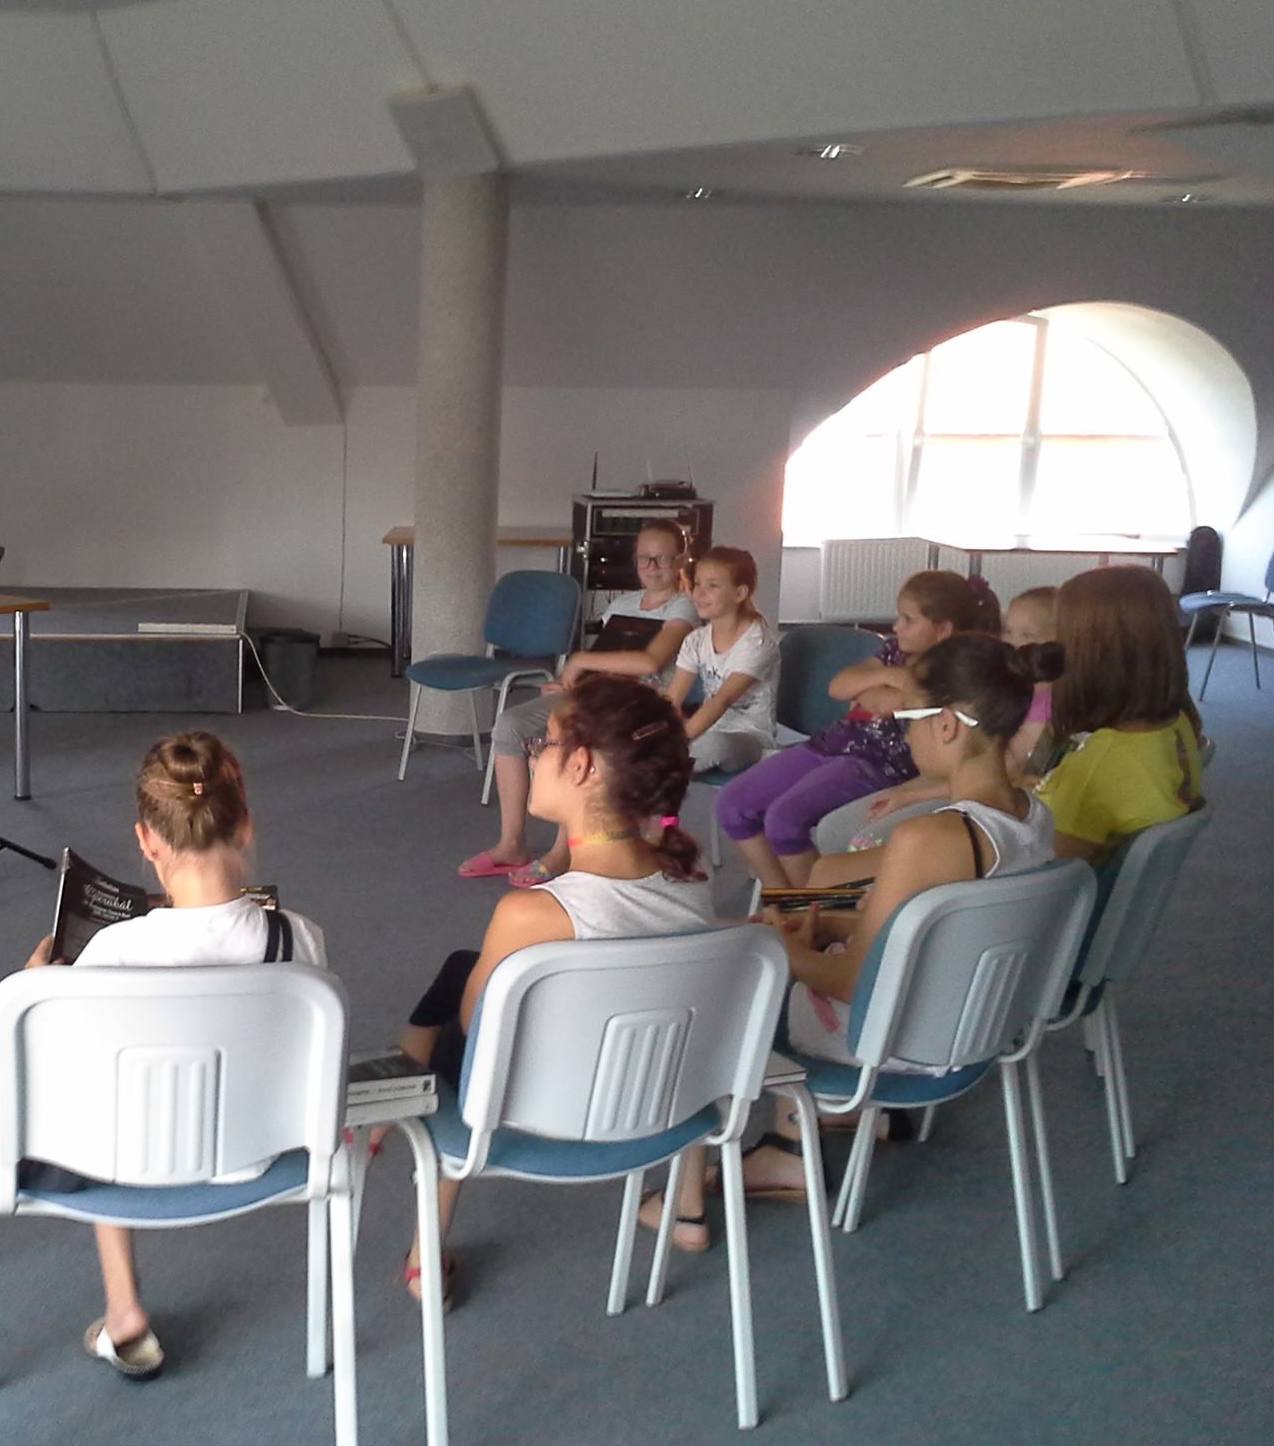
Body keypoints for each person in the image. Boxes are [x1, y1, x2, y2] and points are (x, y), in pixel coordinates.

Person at [645, 633, 1062, 1234]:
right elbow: (841, 881)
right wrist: (803, 916)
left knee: (716, 972)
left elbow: (852, 981)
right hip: (966, 1020)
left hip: (892, 1036)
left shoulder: (930, 838)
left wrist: (783, 946)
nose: (902, 733)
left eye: (907, 719)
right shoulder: (1029, 816)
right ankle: (794, 1136)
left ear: (947, 726)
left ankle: (690, 1201)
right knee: (769, 921)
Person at [12, 731, 324, 1381]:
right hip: (253, 1151)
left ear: (147, 841)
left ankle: (123, 1307)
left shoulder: (113, 951)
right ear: (244, 824)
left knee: (96, 1091)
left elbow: (49, 1063)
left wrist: (36, 986)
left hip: (125, 1158)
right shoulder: (298, 937)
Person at [395, 676, 713, 1295]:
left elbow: (476, 1028)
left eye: (544, 744)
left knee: (460, 998)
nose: (535, 753)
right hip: (661, 1097)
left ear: (583, 766)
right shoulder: (693, 882)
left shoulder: (532, 914)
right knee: (466, 966)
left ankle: (424, 1242)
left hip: (539, 1108)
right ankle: (688, 1204)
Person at [718, 569, 999, 890]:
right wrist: (892, 678)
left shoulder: (954, 672)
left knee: (784, 819)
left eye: (908, 620)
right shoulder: (895, 652)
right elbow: (840, 686)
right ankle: (779, 899)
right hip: (833, 744)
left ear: (943, 630)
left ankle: (811, 908)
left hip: (877, 764)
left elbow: (894, 701)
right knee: (732, 803)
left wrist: (879, 690)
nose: (896, 627)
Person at [462, 521, 698, 888]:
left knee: (575, 736)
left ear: (681, 560)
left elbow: (651, 661)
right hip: (599, 694)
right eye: (644, 558)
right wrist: (570, 681)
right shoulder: (622, 604)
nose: (652, 567)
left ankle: (562, 851)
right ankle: (512, 843)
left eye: (663, 558)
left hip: (642, 705)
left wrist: (581, 661)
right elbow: (607, 660)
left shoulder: (683, 606)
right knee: (511, 725)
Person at [827, 585, 1060, 852]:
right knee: (836, 832)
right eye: (1008, 630)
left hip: (962, 806)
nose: (1012, 642)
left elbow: (1003, 771)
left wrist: (911, 796)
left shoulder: (1035, 705)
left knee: (851, 845)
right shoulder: (994, 685)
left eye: (1027, 635)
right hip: (954, 792)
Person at [1034, 565, 1204, 861]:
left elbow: (1047, 873)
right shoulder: (1178, 723)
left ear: (1086, 656)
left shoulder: (1093, 773)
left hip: (1079, 887)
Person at [665, 546, 781, 774]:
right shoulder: (695, 640)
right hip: (707, 728)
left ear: (739, 593)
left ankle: (661, 771)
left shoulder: (757, 642)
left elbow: (722, 701)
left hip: (749, 737)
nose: (699, 593)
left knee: (714, 745)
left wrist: (675, 743)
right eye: (697, 583)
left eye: (713, 586)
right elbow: (672, 699)